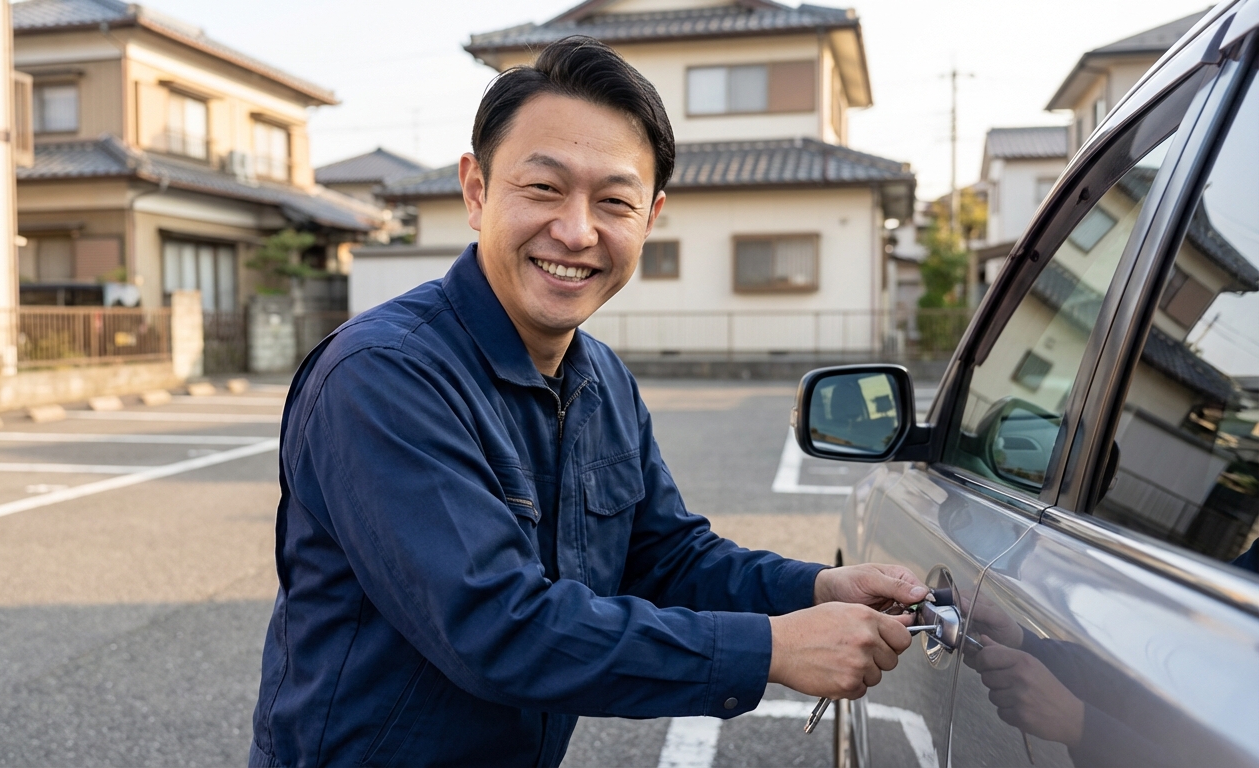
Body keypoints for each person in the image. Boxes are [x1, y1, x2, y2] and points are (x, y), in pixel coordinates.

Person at [249, 36, 926, 768]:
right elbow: (496, 626)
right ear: (476, 191)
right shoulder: (383, 375)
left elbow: (664, 556)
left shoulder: (600, 376)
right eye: (543, 188)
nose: (576, 231)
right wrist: (769, 648)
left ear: (651, 216)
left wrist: (815, 588)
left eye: (613, 201)